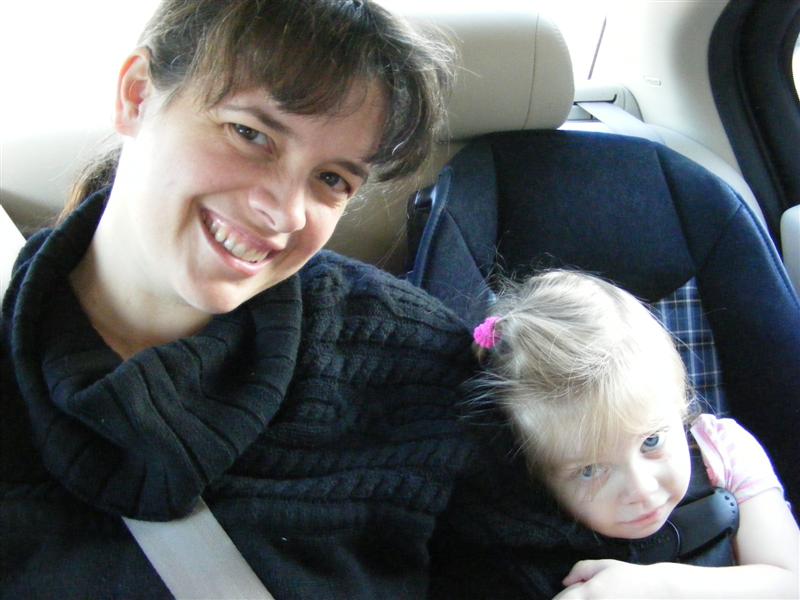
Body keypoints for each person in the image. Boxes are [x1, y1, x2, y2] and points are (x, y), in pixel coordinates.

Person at [0, 1, 510, 597]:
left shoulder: (419, 361)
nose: (284, 212)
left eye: (332, 179)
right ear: (137, 96)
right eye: (251, 134)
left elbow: (527, 554)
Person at [471, 269, 799, 599]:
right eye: (590, 470)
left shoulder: (724, 452)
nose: (642, 489)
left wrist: (659, 587)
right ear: (542, 477)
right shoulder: (530, 522)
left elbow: (791, 583)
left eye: (651, 441)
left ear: (680, 403)